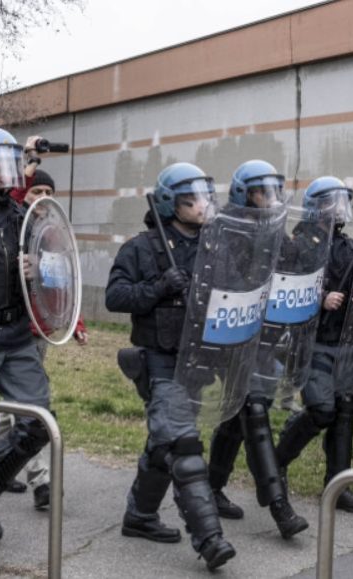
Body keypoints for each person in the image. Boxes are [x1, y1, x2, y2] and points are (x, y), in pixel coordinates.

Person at [106, 162, 236, 570]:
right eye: (191, 198)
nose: (202, 204)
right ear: (170, 204)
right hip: (159, 360)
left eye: (205, 196)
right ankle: (210, 538)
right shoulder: (141, 248)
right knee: (183, 446)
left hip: (199, 362)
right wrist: (159, 287)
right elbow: (115, 296)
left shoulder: (215, 247)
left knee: (164, 442)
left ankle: (140, 515)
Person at [206, 160, 310, 539]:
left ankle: (211, 487)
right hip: (233, 339)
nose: (272, 197)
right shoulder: (225, 229)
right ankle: (279, 505)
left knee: (236, 416)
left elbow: (292, 274)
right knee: (254, 410)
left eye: (274, 190)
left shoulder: (278, 231)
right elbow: (225, 281)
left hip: (266, 339)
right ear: (245, 194)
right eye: (264, 191)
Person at [0, 127, 58, 574]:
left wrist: (35, 267)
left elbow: (53, 270)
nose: (3, 174)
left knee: (38, 424)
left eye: (8, 165)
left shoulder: (22, 216)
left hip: (18, 334)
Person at [274, 176, 353, 514]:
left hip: (345, 341)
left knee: (346, 410)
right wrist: (320, 297)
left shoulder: (351, 247)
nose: (340, 208)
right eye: (333, 202)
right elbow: (285, 287)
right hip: (311, 341)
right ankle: (276, 461)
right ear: (316, 206)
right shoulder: (299, 244)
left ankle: (338, 486)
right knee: (321, 409)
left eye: (343, 201)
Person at [0, 165, 89, 510]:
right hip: (14, 330)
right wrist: (26, 171)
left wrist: (74, 321)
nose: (44, 198)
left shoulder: (51, 235)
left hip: (39, 331)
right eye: (37, 191)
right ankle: (41, 481)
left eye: (49, 193)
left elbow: (62, 281)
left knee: (13, 408)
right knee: (30, 409)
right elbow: (14, 196)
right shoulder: (13, 226)